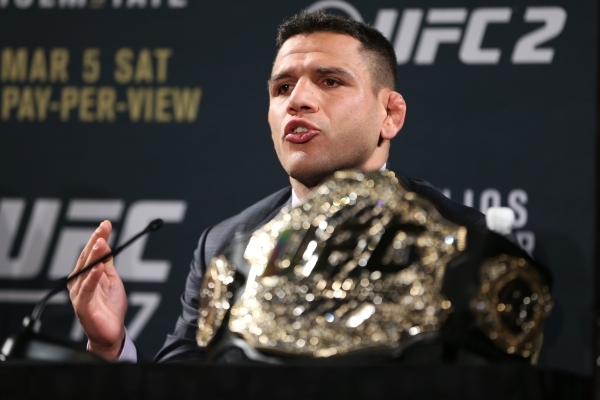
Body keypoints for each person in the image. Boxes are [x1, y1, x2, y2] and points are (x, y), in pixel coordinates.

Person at [67, 10, 485, 362]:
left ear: (389, 114)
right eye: (283, 88)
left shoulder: (459, 238)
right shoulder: (224, 245)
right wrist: (111, 347)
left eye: (330, 81)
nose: (297, 100)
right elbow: (183, 381)